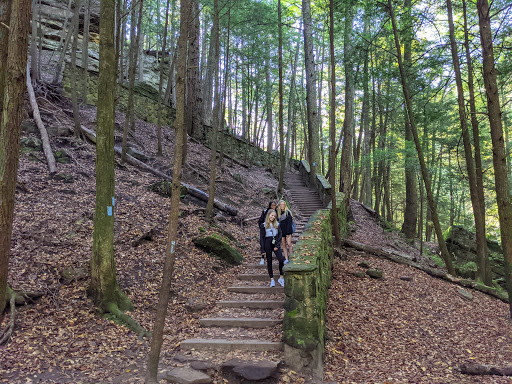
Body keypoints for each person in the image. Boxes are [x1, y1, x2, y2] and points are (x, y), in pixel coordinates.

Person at [260, 209, 285, 287]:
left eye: (274, 216)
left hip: (275, 243)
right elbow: (261, 238)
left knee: (281, 259)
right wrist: (262, 249)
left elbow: (280, 235)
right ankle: (272, 280)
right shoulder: (263, 225)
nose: (273, 217)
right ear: (268, 215)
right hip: (267, 242)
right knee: (269, 261)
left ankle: (281, 277)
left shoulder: (277, 224)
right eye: (272, 215)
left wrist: (277, 245)